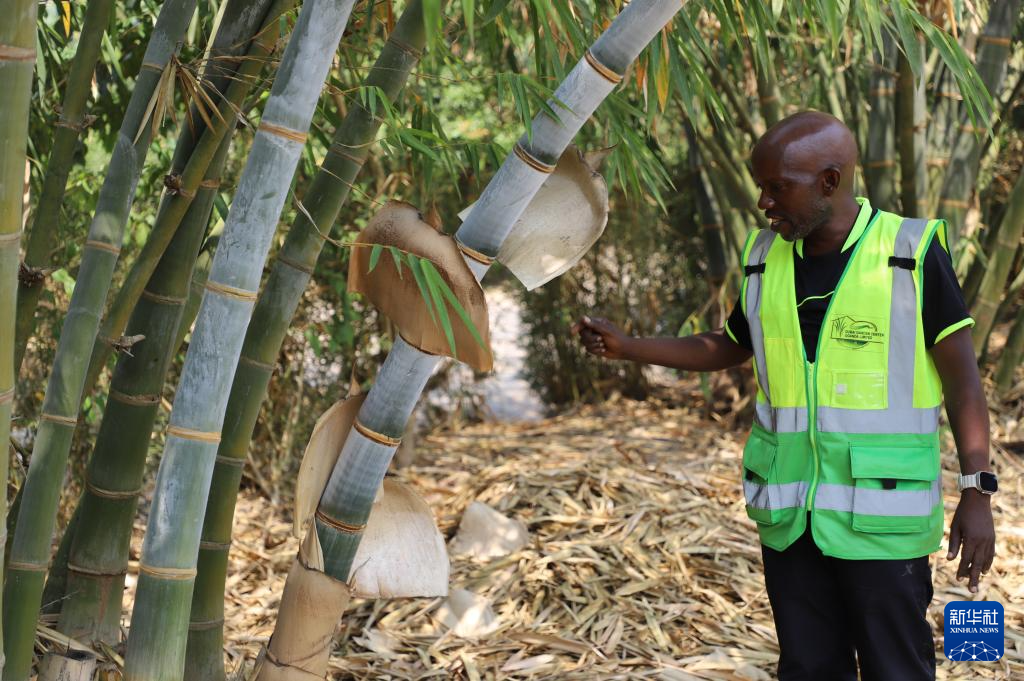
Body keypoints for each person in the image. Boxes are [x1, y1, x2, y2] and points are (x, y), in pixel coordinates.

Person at [572, 111, 996, 681]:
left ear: (829, 180)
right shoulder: (763, 257)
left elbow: (964, 384)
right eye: (760, 188)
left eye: (777, 187)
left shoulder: (910, 252)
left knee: (897, 669)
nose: (764, 204)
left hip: (880, 520)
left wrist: (977, 492)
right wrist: (629, 347)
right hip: (791, 516)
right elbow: (726, 346)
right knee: (807, 668)